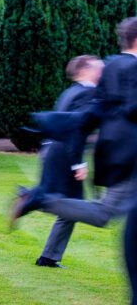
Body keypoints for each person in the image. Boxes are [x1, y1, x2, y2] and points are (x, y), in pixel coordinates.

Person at [12, 19, 137, 232]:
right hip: (129, 152)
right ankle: (39, 199)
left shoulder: (113, 65)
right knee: (104, 213)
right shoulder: (132, 68)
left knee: (107, 212)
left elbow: (97, 110)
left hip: (115, 150)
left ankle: (39, 200)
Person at [32, 55, 102, 268]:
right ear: (85, 70)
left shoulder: (70, 92)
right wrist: (77, 163)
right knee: (72, 204)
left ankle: (49, 257)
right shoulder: (86, 93)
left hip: (54, 150)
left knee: (72, 205)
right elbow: (74, 131)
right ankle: (32, 198)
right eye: (99, 68)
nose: (103, 72)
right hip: (64, 154)